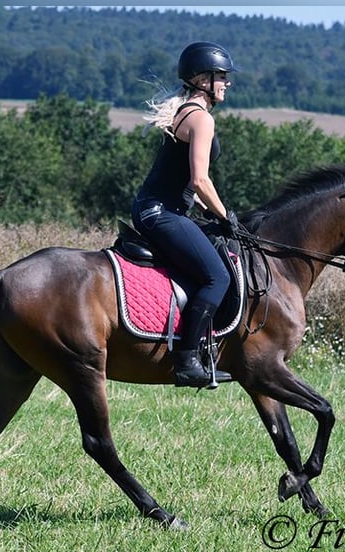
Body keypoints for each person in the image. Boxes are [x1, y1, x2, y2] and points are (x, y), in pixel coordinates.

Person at [131, 41, 240, 389]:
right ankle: (188, 360)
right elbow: (200, 180)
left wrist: (218, 213)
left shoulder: (186, 113)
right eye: (221, 77)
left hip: (160, 210)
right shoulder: (201, 119)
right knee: (218, 278)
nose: (226, 83)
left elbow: (193, 187)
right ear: (202, 79)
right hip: (162, 213)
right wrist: (226, 216)